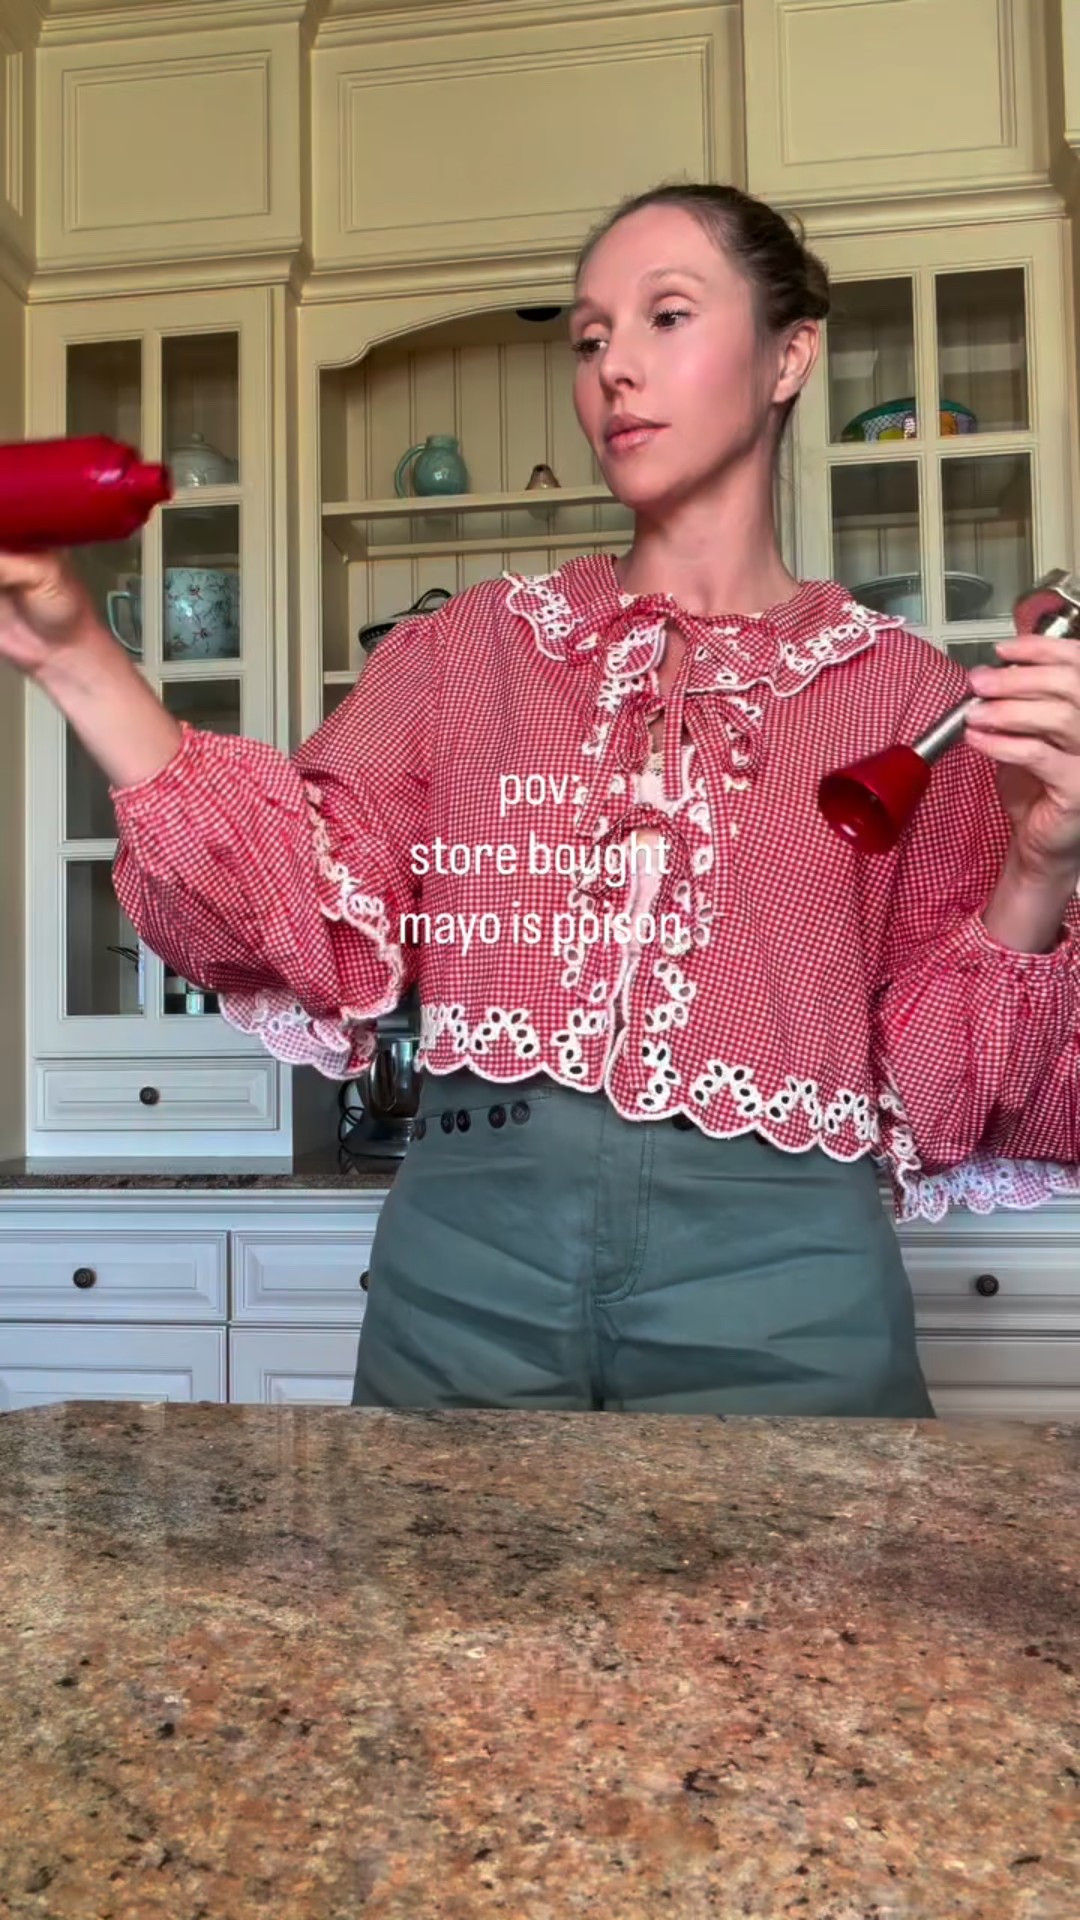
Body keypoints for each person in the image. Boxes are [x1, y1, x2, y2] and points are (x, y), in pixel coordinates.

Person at [2, 182, 1079, 1417]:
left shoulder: (906, 698)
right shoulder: (470, 653)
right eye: (589, 336)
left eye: (666, 315)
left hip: (791, 1287)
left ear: (790, 356)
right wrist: (75, 655)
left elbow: (942, 1089)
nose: (614, 365)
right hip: (465, 1268)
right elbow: (300, 902)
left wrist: (1042, 860)